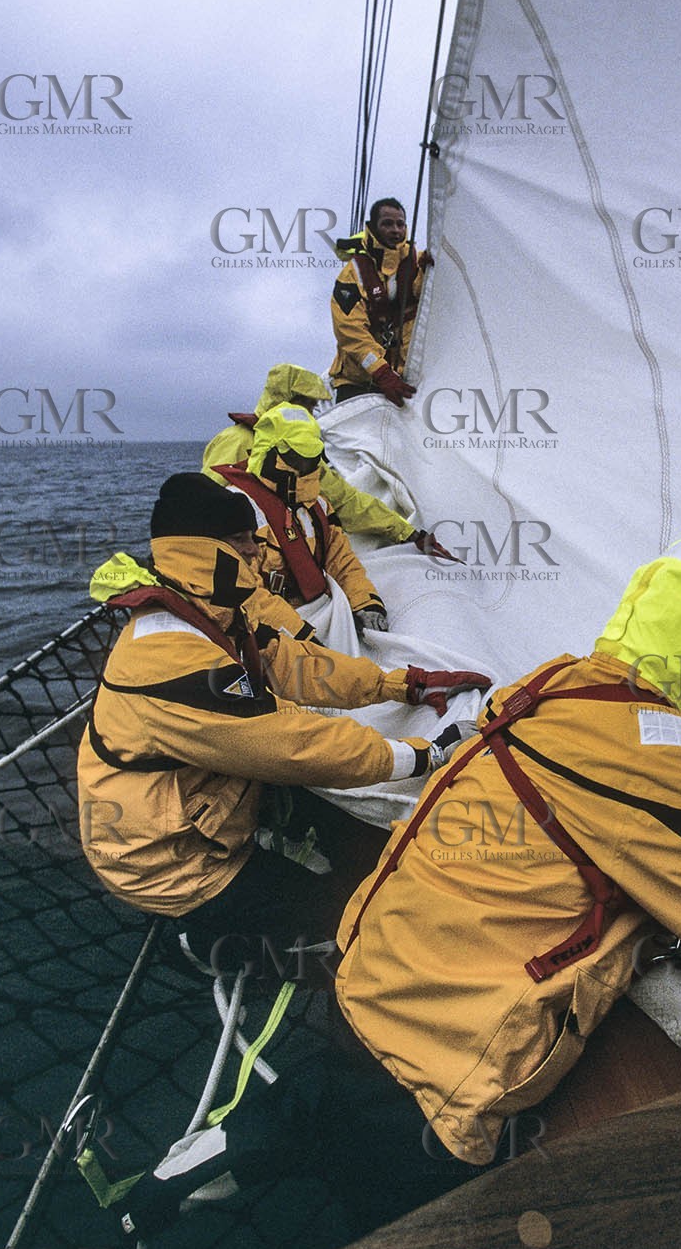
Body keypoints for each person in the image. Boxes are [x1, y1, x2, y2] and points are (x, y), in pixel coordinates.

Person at [120, 526, 681, 1242]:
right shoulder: (668, 768)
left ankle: (164, 1190)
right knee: (407, 1236)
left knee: (314, 1113)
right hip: (439, 1072)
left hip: (365, 978)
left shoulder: (551, 688)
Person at [76, 472, 489, 967]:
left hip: (208, 804)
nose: (256, 550)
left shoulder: (213, 615)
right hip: (170, 859)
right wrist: (428, 754)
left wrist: (401, 684)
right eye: (240, 540)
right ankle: (194, 944)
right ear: (199, 551)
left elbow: (297, 665)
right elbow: (293, 744)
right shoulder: (170, 658)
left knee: (360, 845)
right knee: (349, 928)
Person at [202, 360, 454, 559]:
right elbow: (206, 507)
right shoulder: (236, 441)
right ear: (287, 401)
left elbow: (348, 502)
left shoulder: (306, 458)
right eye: (308, 405)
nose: (311, 414)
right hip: (245, 561)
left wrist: (410, 534)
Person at [209, 404, 393, 636]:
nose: (304, 467)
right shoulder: (238, 508)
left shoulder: (318, 505)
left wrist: (366, 603)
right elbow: (243, 592)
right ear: (269, 453)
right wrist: (299, 632)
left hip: (318, 613)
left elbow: (341, 560)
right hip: (270, 630)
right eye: (296, 457)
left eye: (310, 458)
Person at [328, 197, 430, 406]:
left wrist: (437, 270)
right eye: (387, 224)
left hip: (403, 381)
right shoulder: (352, 275)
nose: (395, 230)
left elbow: (432, 300)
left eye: (400, 224)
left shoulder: (419, 265)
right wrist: (381, 372)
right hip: (357, 382)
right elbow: (350, 332)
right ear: (373, 227)